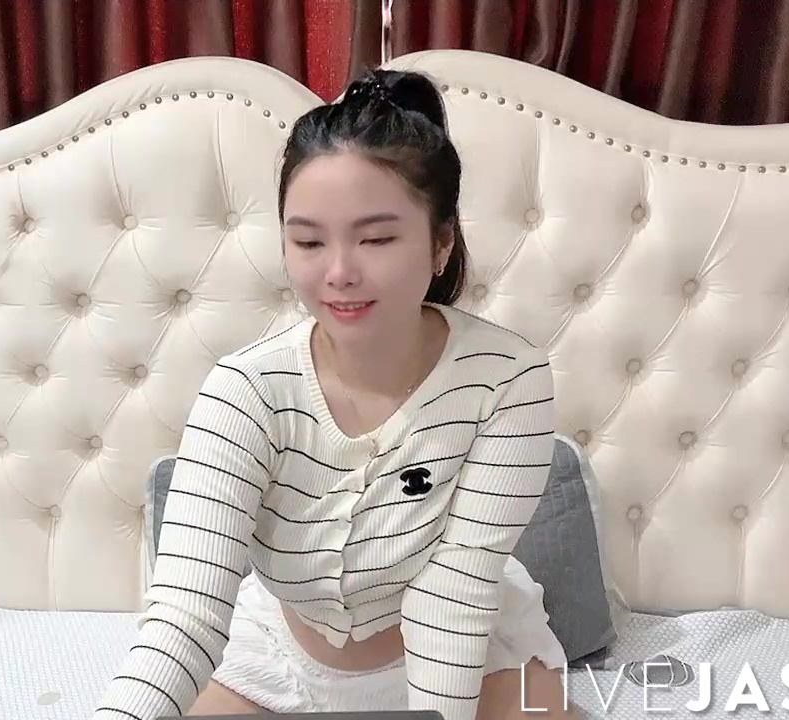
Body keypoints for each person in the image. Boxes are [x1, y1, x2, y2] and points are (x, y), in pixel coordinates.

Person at [93, 68, 572, 720]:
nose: (340, 272)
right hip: (277, 660)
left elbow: (453, 595)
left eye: (376, 239)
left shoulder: (509, 378)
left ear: (441, 242)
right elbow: (185, 616)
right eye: (308, 241)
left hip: (469, 659)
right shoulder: (246, 391)